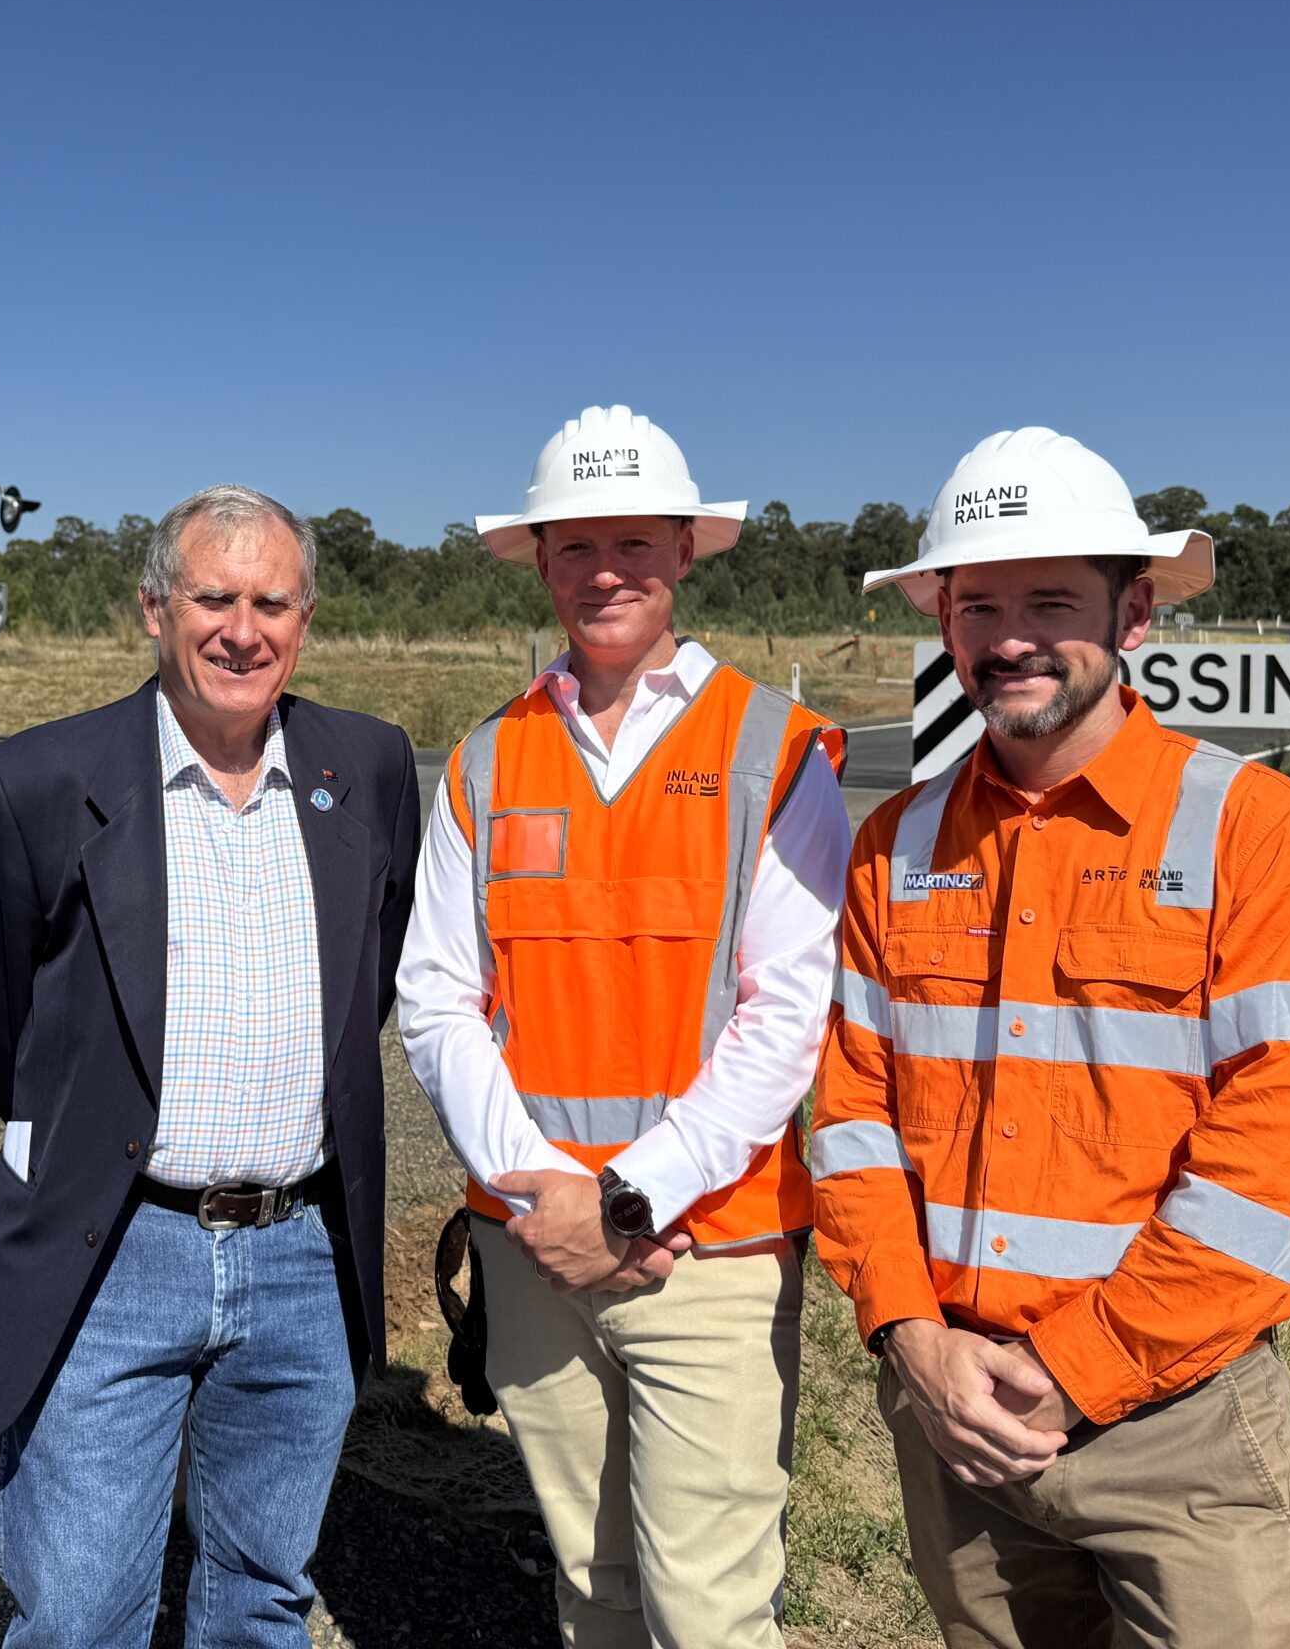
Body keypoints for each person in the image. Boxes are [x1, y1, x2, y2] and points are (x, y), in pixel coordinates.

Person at [811, 426, 1290, 1646]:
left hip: (1178, 1424)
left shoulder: (1251, 832)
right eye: (978, 603)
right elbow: (850, 1120)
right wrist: (910, 1341)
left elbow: (1268, 1170)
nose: (1009, 638)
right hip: (956, 1414)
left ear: (1135, 613)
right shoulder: (892, 843)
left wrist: (1070, 1371)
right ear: (942, 622)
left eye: (1051, 600)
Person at [398, 404, 852, 1649]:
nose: (606, 570)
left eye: (635, 543)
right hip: (534, 1248)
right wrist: (543, 1192)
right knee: (591, 1587)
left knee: (706, 1611)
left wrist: (630, 1201)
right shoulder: (488, 760)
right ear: (540, 560)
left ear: (684, 553)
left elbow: (785, 1016)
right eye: (576, 545)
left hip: (705, 1251)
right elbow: (437, 996)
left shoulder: (773, 748)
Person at [0, 483, 421, 1648]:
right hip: (115, 1253)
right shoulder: (42, 783)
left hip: (304, 1257)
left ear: (304, 620)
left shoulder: (368, 766)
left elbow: (380, 971)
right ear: (153, 609)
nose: (241, 629)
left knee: (260, 1600)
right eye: (213, 597)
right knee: (80, 1614)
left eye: (271, 601)